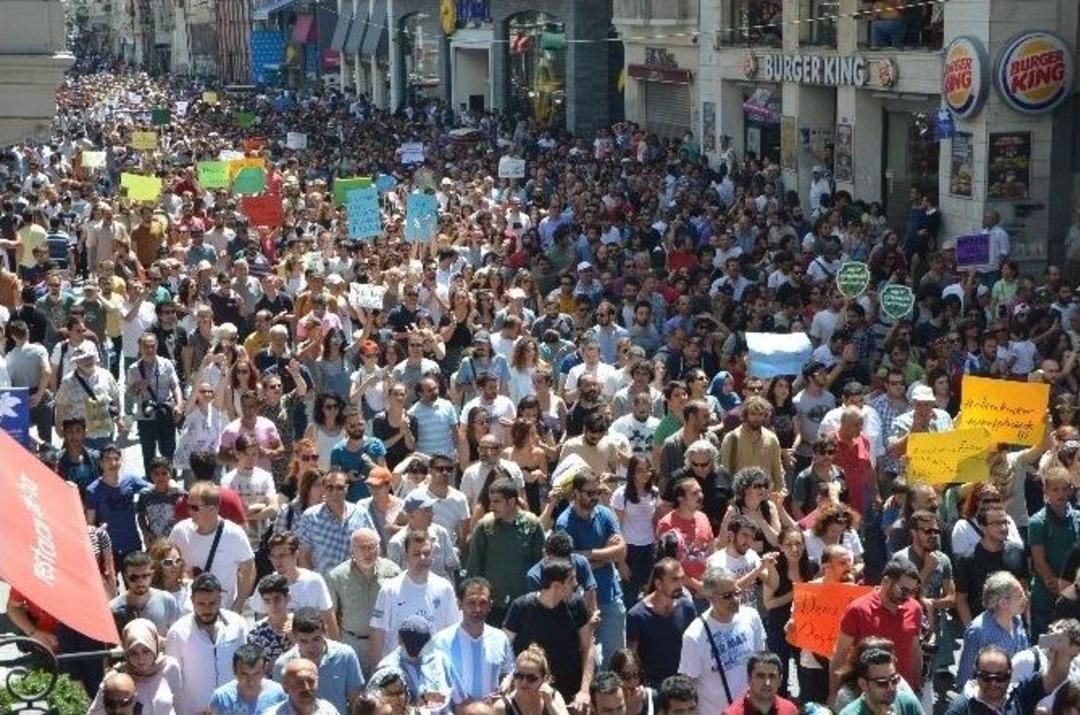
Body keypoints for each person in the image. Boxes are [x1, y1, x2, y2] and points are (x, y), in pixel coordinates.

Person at [554, 469, 627, 668]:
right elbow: (571, 568)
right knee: (583, 660)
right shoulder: (564, 523)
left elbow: (620, 551)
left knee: (615, 661)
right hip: (581, 604)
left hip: (610, 598)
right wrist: (606, 556)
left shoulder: (604, 513)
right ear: (576, 493)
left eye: (597, 492)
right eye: (589, 493)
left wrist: (587, 554)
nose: (594, 497)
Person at [504, 557, 595, 710]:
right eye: (571, 580)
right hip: (529, 695)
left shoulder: (577, 605)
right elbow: (504, 648)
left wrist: (584, 690)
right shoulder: (521, 607)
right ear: (557, 585)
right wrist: (510, 677)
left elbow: (588, 647)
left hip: (569, 695)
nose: (576, 584)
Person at [830, 557, 924, 702]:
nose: (908, 597)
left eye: (913, 591)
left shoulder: (914, 608)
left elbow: (915, 650)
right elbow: (839, 655)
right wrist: (833, 693)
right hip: (867, 697)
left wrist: (917, 687)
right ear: (886, 581)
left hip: (902, 694)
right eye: (904, 590)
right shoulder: (858, 609)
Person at [368, 529, 461, 670]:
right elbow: (377, 635)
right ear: (406, 556)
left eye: (426, 553)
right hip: (398, 671)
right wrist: (376, 673)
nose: (422, 558)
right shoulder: (389, 590)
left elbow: (452, 633)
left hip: (433, 669)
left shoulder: (445, 588)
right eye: (416, 554)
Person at [678, 565, 766, 713]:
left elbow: (761, 661)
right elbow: (688, 685)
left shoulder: (751, 617)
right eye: (727, 596)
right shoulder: (694, 636)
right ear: (711, 597)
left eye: (736, 592)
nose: (735, 599)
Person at [165, 572, 249, 714]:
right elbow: (172, 679)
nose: (207, 609)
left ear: (220, 599)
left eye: (212, 603)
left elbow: (245, 667)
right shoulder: (177, 633)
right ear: (192, 601)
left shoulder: (238, 624)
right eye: (201, 604)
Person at [465, 478, 546, 626]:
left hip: (525, 605)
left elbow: (541, 565)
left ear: (511, 502)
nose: (491, 506)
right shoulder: (485, 527)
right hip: (493, 606)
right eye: (491, 501)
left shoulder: (532, 525)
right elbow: (474, 566)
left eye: (496, 502)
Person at [168, 481, 256, 611]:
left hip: (224, 610)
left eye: (195, 507)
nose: (189, 512)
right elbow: (167, 560)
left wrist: (240, 601)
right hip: (188, 610)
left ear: (212, 509)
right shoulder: (180, 531)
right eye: (189, 506)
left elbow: (249, 567)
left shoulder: (234, 534)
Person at [325, 528, 401, 675]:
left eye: (372, 547)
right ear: (352, 550)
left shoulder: (393, 572)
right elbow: (330, 616)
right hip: (353, 644)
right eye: (362, 548)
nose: (368, 552)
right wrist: (337, 647)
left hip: (386, 643)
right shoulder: (337, 577)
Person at [430, 577, 515, 703]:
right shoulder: (442, 640)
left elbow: (509, 672)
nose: (477, 609)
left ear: (490, 605)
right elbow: (433, 682)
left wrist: (506, 685)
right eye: (471, 603)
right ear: (459, 604)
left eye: (483, 603)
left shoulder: (500, 638)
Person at [273, 607, 365, 713]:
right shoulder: (283, 665)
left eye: (316, 639)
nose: (311, 647)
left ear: (324, 632)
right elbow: (280, 704)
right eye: (304, 641)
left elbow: (356, 700)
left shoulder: (345, 655)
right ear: (294, 636)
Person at [945, 641, 1073, 715]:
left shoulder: (1021, 693)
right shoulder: (962, 708)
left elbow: (1056, 676)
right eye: (986, 677)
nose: (993, 683)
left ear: (1010, 673)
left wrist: (1064, 648)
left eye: (1000, 677)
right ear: (976, 674)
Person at [626, 558, 698, 688]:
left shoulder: (687, 608)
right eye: (674, 580)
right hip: (654, 686)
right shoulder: (636, 616)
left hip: (684, 683)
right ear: (658, 584)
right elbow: (632, 655)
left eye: (681, 579)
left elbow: (696, 644)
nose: (680, 584)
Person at [88, 618, 183, 714]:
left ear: (155, 646)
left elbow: (179, 704)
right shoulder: (117, 676)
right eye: (133, 653)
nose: (140, 659)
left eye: (146, 651)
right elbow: (95, 712)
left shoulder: (170, 667)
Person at [955, 571, 1030, 689]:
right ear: (1003, 603)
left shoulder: (1017, 621)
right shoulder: (978, 631)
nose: (1025, 598)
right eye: (1020, 595)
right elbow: (965, 679)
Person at [257, 531, 338, 636]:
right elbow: (261, 621)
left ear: (296, 554)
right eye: (273, 556)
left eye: (282, 555)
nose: (277, 561)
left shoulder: (314, 581)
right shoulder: (266, 583)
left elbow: (328, 620)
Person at [297, 469, 376, 575]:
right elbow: (304, 556)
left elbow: (374, 546)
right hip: (324, 585)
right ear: (324, 489)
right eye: (330, 488)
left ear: (347, 488)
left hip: (355, 582)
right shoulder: (310, 517)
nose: (334, 492)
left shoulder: (360, 514)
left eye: (339, 488)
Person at [373, 615, 457, 712]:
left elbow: (459, 700)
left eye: (420, 646)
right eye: (410, 645)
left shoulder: (441, 660)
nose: (415, 654)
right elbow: (383, 708)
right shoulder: (387, 669)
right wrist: (419, 701)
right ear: (399, 639)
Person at [84, 442, 151, 562]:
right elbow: (90, 524)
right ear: (100, 463)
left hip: (132, 544)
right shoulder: (92, 490)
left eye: (116, 459)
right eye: (107, 459)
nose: (112, 463)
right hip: (108, 548)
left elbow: (154, 489)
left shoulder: (131, 480)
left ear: (121, 461)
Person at [126, 332, 182, 472]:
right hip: (145, 417)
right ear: (140, 347)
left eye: (152, 346)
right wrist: (137, 386)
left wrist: (180, 404)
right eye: (146, 346)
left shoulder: (166, 364)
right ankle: (151, 484)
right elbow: (129, 394)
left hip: (165, 413)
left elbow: (175, 386)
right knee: (149, 454)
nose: (149, 350)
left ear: (156, 346)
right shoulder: (133, 369)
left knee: (168, 452)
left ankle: (170, 483)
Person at [387, 488, 458, 578]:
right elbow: (393, 576)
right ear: (411, 514)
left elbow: (452, 566)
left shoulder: (440, 533)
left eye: (431, 509)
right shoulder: (397, 542)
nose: (432, 514)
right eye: (427, 510)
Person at [110, 550, 182, 635]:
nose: (140, 582)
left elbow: (177, 638)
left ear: (152, 575)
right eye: (134, 577)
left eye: (145, 576)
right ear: (125, 577)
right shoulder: (113, 608)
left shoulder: (167, 601)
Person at [838, 646, 924, 715]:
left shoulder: (908, 703)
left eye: (894, 680)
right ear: (863, 684)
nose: (891, 688)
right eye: (882, 683)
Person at [208, 644, 288, 714]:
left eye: (256, 674)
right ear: (235, 670)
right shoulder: (221, 697)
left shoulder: (280, 695)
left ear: (264, 669)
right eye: (245, 674)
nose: (251, 681)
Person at [492, 645, 572, 715]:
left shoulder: (554, 697)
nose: (524, 682)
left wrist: (550, 704)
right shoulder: (503, 707)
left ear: (544, 679)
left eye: (531, 678)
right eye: (519, 676)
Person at [722, 651, 797, 715]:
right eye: (760, 676)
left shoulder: (790, 710)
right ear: (749, 679)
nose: (767, 683)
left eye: (772, 676)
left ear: (780, 681)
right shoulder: (732, 713)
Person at [268, 658, 341, 714]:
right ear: (285, 687)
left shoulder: (328, 710)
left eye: (311, 681)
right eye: (299, 682)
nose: (306, 687)